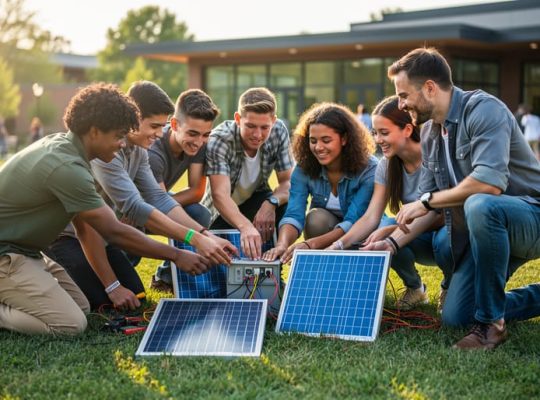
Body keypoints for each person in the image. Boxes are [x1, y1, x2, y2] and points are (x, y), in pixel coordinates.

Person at [0, 83, 210, 335]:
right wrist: (177, 254)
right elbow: (113, 231)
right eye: (119, 136)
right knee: (70, 325)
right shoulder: (67, 167)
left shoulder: (71, 152)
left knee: (83, 307)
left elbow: (86, 227)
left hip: (28, 252)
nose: (123, 144)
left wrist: (197, 236)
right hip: (7, 254)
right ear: (95, 132)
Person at [373, 47, 540, 350]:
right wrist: (392, 242)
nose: (400, 103)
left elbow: (489, 184)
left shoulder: (484, 110)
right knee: (457, 317)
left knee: (480, 203)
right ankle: (497, 309)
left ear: (429, 88)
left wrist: (425, 202)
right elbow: (428, 205)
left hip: (530, 218)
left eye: (403, 95)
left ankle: (491, 325)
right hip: (488, 232)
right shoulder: (429, 134)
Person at [45, 81, 236, 309]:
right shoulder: (107, 150)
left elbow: (158, 197)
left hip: (101, 236)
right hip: (67, 237)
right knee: (99, 302)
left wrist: (205, 234)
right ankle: (45, 273)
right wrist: (191, 241)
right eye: (155, 126)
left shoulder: (139, 150)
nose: (160, 133)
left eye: (163, 126)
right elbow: (134, 206)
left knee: (137, 296)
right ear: (133, 118)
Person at [328, 96, 452, 311]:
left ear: (406, 129)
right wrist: (338, 245)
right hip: (414, 237)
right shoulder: (386, 165)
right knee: (381, 227)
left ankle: (449, 285)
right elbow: (370, 217)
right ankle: (415, 287)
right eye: (375, 133)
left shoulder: (435, 156)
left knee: (442, 238)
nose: (378, 139)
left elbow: (443, 215)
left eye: (384, 133)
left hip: (445, 236)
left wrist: (393, 229)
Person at [262, 102, 377, 264]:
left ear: (344, 139)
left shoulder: (368, 168)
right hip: (326, 231)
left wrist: (309, 245)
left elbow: (353, 221)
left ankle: (413, 284)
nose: (318, 147)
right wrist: (282, 244)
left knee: (385, 228)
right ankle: (324, 272)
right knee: (315, 219)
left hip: (362, 233)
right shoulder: (304, 167)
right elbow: (294, 214)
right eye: (313, 140)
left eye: (326, 140)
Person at [203, 87, 294, 260]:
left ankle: (271, 268)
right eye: (250, 126)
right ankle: (166, 273)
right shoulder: (220, 140)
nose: (257, 135)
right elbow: (220, 195)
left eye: (264, 127)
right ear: (238, 119)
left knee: (286, 204)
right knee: (211, 270)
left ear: (273, 121)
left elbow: (288, 182)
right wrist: (245, 226)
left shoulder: (279, 131)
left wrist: (271, 203)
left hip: (255, 201)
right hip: (219, 214)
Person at [148, 89, 219, 291]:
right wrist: (164, 202)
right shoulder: (154, 153)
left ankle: (166, 277)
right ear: (174, 125)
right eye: (192, 133)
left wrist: (166, 201)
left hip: (157, 200)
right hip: (130, 211)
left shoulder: (199, 145)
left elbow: (196, 191)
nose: (199, 141)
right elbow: (158, 207)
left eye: (206, 134)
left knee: (199, 213)